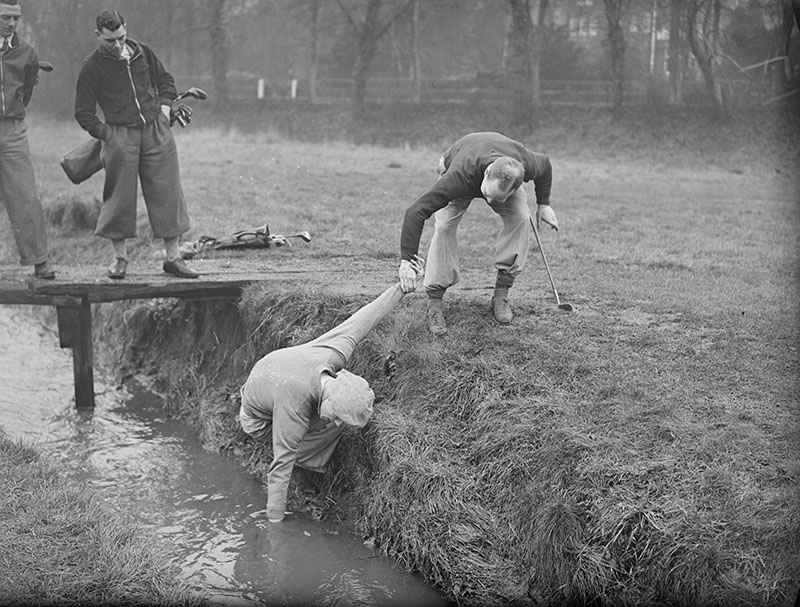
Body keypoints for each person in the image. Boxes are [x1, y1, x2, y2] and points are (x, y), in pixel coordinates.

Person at [239, 257, 424, 523]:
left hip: (277, 375)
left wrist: (401, 288)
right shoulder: (294, 406)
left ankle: (309, 453)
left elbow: (365, 318)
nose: (338, 421)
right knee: (310, 436)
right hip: (257, 416)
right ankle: (307, 464)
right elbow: (279, 468)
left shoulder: (335, 354)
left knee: (333, 425)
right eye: (337, 413)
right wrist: (274, 529)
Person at [74, 9, 198, 280]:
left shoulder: (143, 52)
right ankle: (120, 259)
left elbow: (165, 81)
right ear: (98, 36)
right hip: (120, 137)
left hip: (156, 130)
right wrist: (107, 134)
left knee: (169, 192)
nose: (117, 44)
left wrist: (165, 108)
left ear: (126, 29)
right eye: (110, 40)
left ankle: (173, 258)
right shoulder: (91, 67)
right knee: (118, 198)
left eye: (121, 37)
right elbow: (83, 112)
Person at [397, 131, 559, 336]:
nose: (489, 202)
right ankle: (435, 302)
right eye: (488, 195)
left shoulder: (524, 164)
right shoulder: (458, 176)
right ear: (486, 174)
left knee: (521, 216)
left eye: (497, 199)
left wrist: (544, 205)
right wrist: (406, 261)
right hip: (460, 163)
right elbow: (415, 212)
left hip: (500, 169)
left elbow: (545, 164)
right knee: (444, 225)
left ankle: (501, 294)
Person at [0, 0, 55, 279]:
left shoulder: (26, 52)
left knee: (25, 195)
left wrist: (14, 111)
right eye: (4, 17)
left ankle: (39, 260)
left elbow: (28, 88)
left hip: (12, 130)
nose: (10, 24)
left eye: (15, 18)